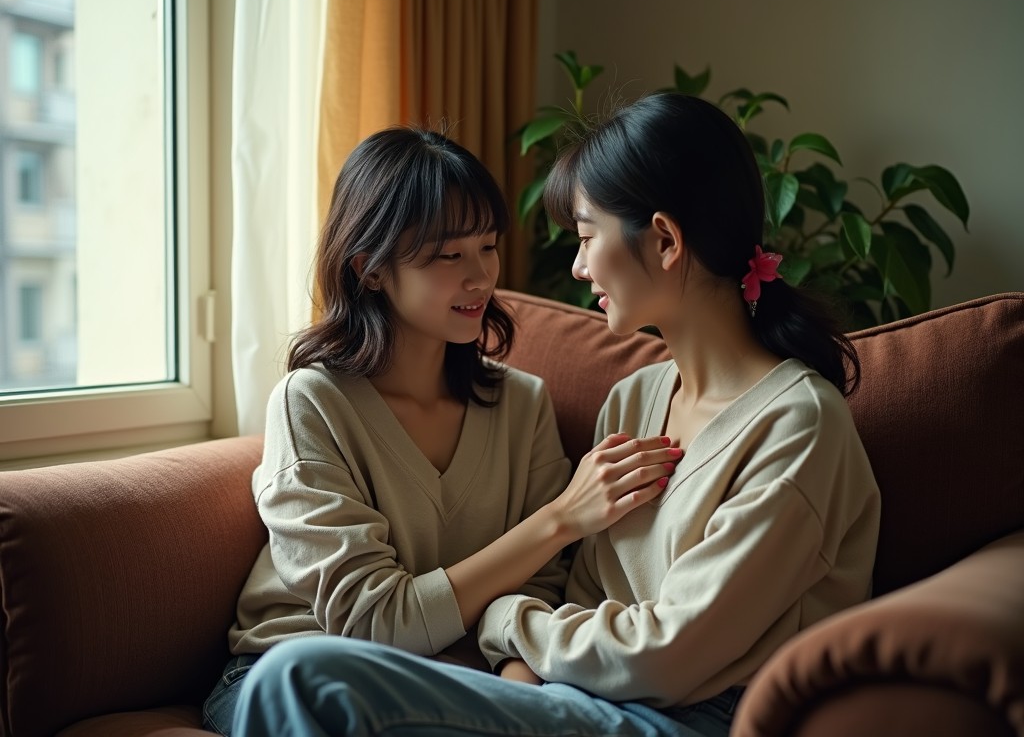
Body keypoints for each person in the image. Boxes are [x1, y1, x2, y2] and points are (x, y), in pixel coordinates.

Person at [229, 94, 881, 737]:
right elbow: (577, 596)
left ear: (663, 240)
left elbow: (671, 652)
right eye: (448, 255)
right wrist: (518, 681)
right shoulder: (636, 399)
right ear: (370, 270)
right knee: (297, 672)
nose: (573, 266)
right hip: (576, 697)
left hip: (685, 714)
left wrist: (503, 623)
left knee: (304, 679)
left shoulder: (798, 426)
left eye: (587, 236)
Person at [200, 126, 678, 735]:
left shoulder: (522, 403)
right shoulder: (312, 403)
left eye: (487, 247)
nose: (480, 277)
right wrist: (560, 517)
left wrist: (521, 703)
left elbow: (538, 594)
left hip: (451, 681)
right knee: (312, 674)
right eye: (449, 255)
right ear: (369, 270)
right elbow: (372, 622)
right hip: (292, 675)